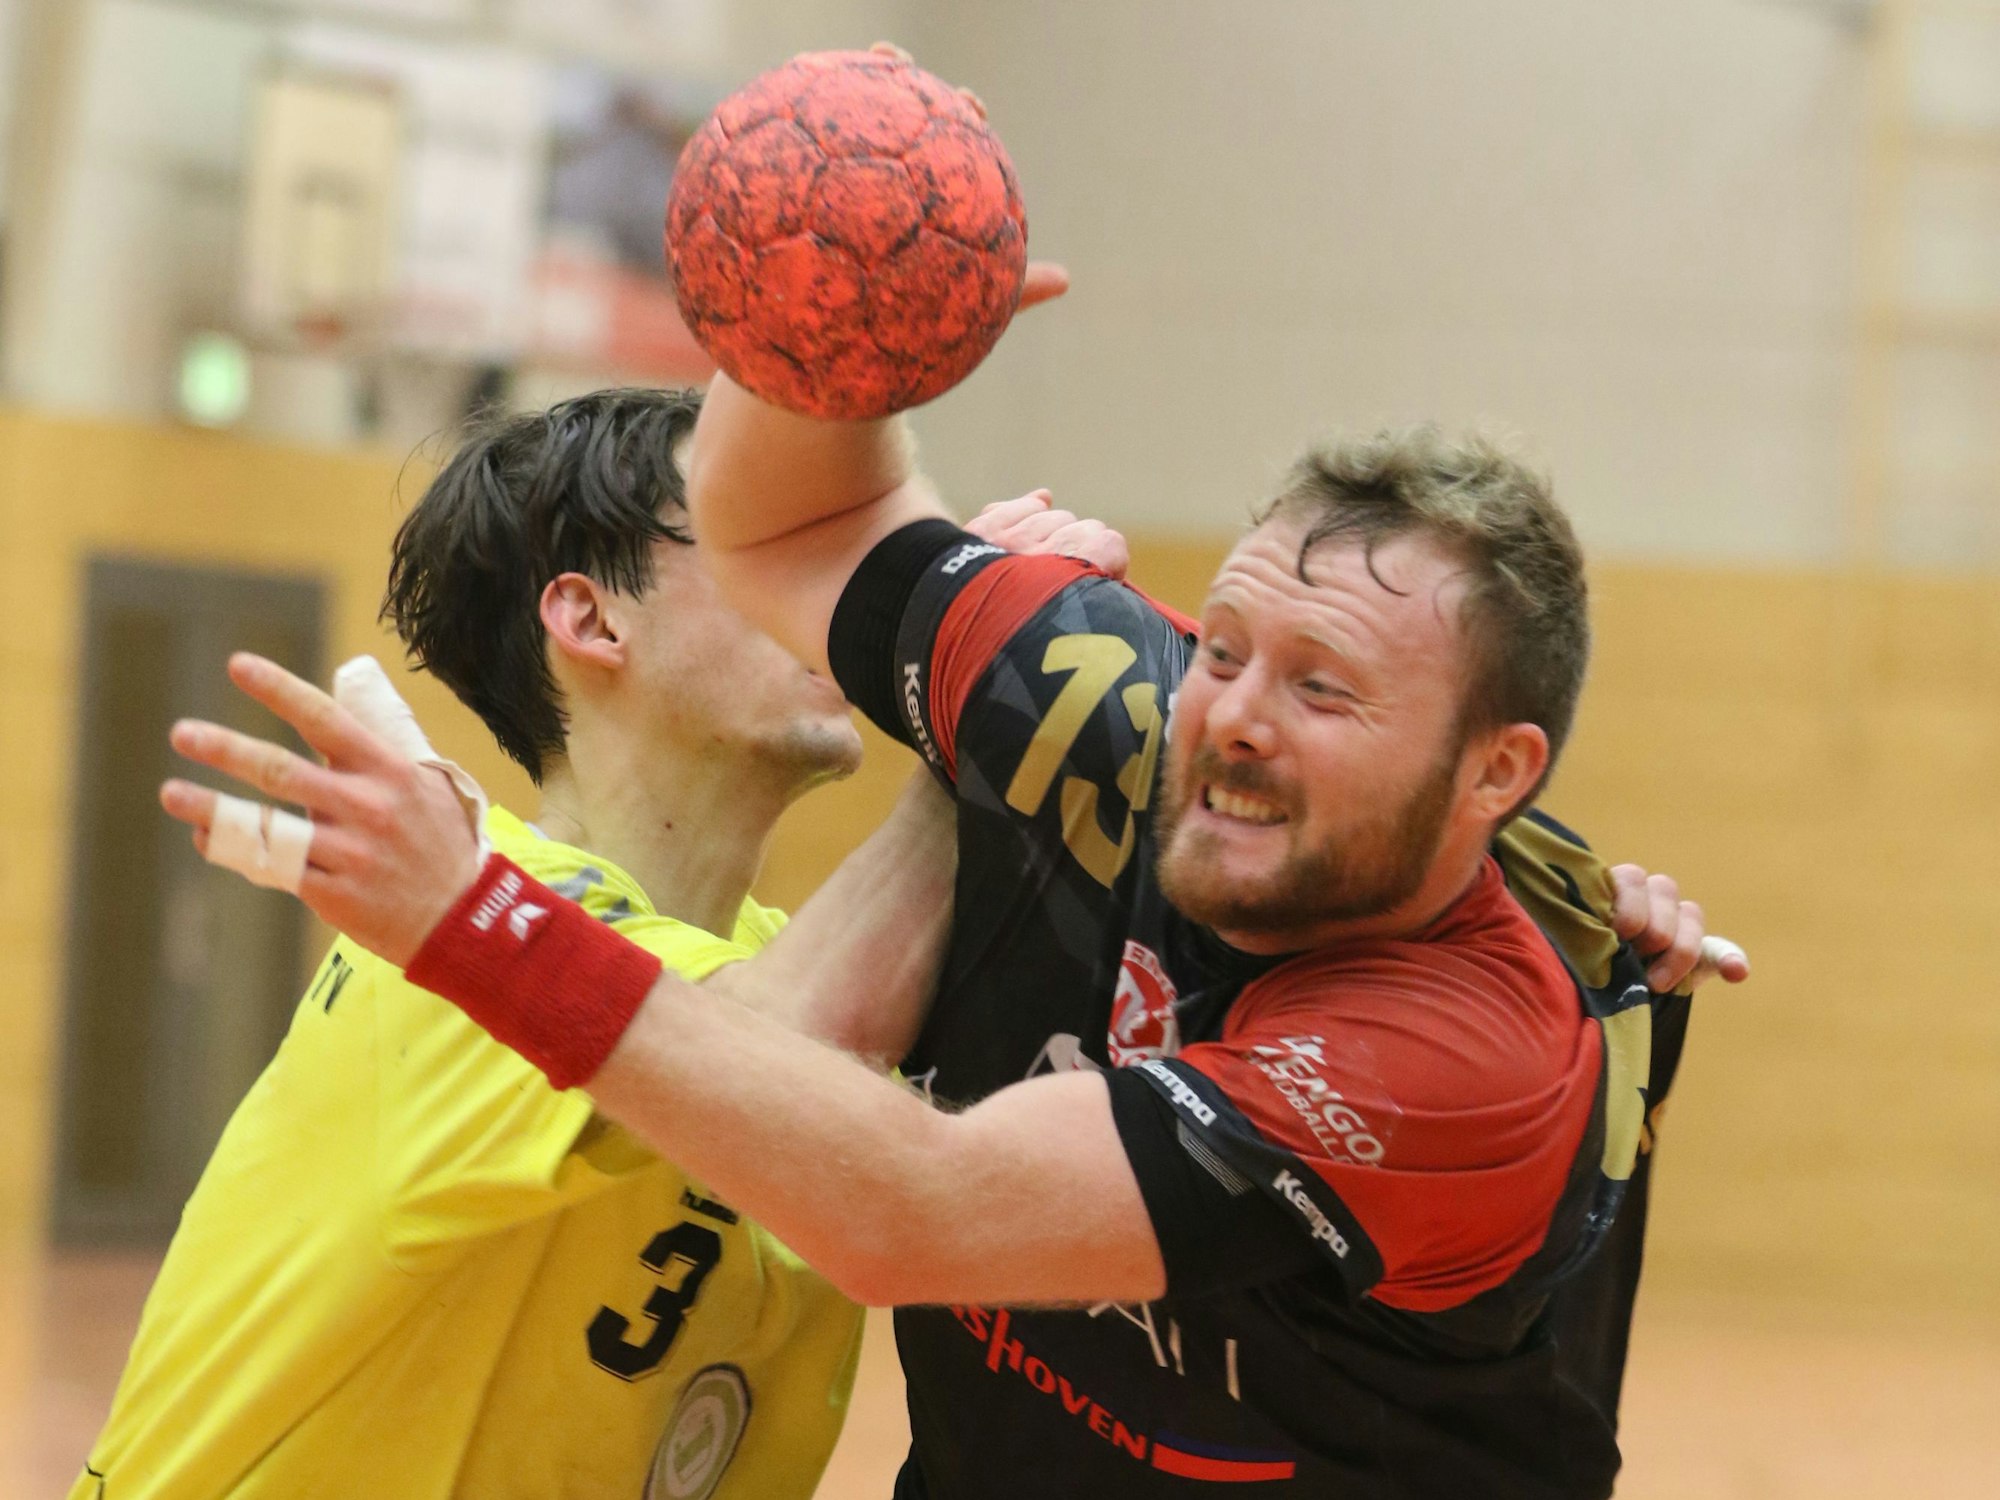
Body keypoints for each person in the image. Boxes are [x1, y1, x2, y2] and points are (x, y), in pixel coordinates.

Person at [162, 396, 1738, 1498]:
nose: (1238, 712)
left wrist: (982, 730)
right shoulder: (458, 916)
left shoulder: (841, 943)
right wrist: (829, 317)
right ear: (594, 619)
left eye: (1319, 688)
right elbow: (747, 1048)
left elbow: (840, 1137)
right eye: (1231, 652)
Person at [75, 386, 1120, 1500]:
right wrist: (989, 703)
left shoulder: (800, 955)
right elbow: (768, 1063)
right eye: (763, 544)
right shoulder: (449, 933)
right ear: (591, 619)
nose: (823, 589)